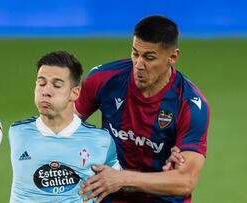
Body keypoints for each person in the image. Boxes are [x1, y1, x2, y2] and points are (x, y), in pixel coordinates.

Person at [76, 15, 210, 202]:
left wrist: (122, 178)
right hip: (109, 196)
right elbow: (63, 128)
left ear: (172, 57)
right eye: (135, 53)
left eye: (149, 57)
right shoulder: (104, 79)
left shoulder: (190, 104)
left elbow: (185, 181)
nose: (138, 65)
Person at [8, 51, 121, 203]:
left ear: (74, 93)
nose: (46, 91)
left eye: (57, 85)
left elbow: (118, 182)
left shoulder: (102, 141)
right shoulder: (17, 133)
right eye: (41, 83)